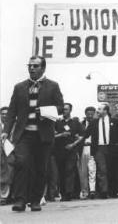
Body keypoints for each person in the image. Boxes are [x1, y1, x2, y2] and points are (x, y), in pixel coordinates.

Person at [1, 56, 64, 212]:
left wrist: (45, 111)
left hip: (43, 135)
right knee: (21, 164)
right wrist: (5, 131)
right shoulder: (19, 87)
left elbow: (61, 108)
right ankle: (20, 200)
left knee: (40, 168)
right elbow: (11, 112)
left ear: (43, 68)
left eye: (35, 66)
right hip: (24, 135)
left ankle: (35, 200)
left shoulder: (53, 86)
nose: (32, 68)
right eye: (30, 65)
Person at [79, 103, 118, 198]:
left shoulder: (114, 121)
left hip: (112, 148)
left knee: (112, 169)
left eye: (99, 109)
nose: (97, 111)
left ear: (105, 111)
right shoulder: (94, 122)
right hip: (99, 149)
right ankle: (104, 191)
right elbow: (85, 135)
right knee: (101, 170)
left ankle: (113, 191)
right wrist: (77, 139)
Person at [53, 103, 82, 201]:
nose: (64, 111)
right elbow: (52, 135)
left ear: (70, 110)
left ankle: (69, 193)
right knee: (61, 172)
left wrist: (73, 144)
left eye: (66, 109)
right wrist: (61, 135)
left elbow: (82, 136)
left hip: (71, 150)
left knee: (70, 171)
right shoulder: (57, 122)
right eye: (63, 109)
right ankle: (63, 193)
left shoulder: (75, 122)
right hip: (59, 151)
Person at [77, 106, 97, 199]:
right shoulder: (80, 124)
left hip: (93, 148)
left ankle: (93, 190)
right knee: (83, 171)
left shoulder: (98, 124)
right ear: (85, 114)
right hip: (83, 149)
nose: (90, 116)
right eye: (88, 114)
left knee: (93, 170)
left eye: (92, 114)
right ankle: (84, 191)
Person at [0, 106, 15, 205]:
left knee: (10, 174)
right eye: (3, 114)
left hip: (11, 153)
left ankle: (9, 197)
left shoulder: (14, 126)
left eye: (7, 114)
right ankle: (3, 197)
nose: (5, 116)